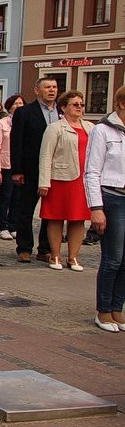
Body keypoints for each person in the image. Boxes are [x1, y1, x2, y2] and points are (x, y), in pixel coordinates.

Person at [85, 85, 125, 331]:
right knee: (113, 258)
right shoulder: (102, 130)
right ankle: (103, 310)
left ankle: (117, 308)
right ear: (121, 103)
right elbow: (91, 171)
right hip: (112, 197)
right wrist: (96, 207)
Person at [38, 90, 92, 271]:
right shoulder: (55, 128)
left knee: (78, 218)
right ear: (63, 107)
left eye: (81, 104)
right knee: (56, 217)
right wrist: (44, 182)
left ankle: (73, 256)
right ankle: (55, 254)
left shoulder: (90, 127)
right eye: (74, 104)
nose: (79, 107)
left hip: (82, 180)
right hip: (60, 178)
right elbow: (46, 156)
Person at [12, 78, 60, 263]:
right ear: (37, 90)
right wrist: (17, 170)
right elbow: (16, 142)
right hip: (30, 168)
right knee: (26, 210)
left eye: (54, 87)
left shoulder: (61, 112)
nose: (51, 90)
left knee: (50, 211)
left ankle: (45, 248)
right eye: (47, 87)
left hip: (55, 170)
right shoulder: (24, 112)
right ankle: (24, 248)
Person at [0, 95, 24, 240]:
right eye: (16, 103)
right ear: (9, 106)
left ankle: (14, 225)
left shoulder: (25, 122)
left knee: (18, 197)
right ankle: (2, 226)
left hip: (20, 165)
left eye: (21, 103)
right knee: (6, 195)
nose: (18, 106)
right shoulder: (2, 123)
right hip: (6, 165)